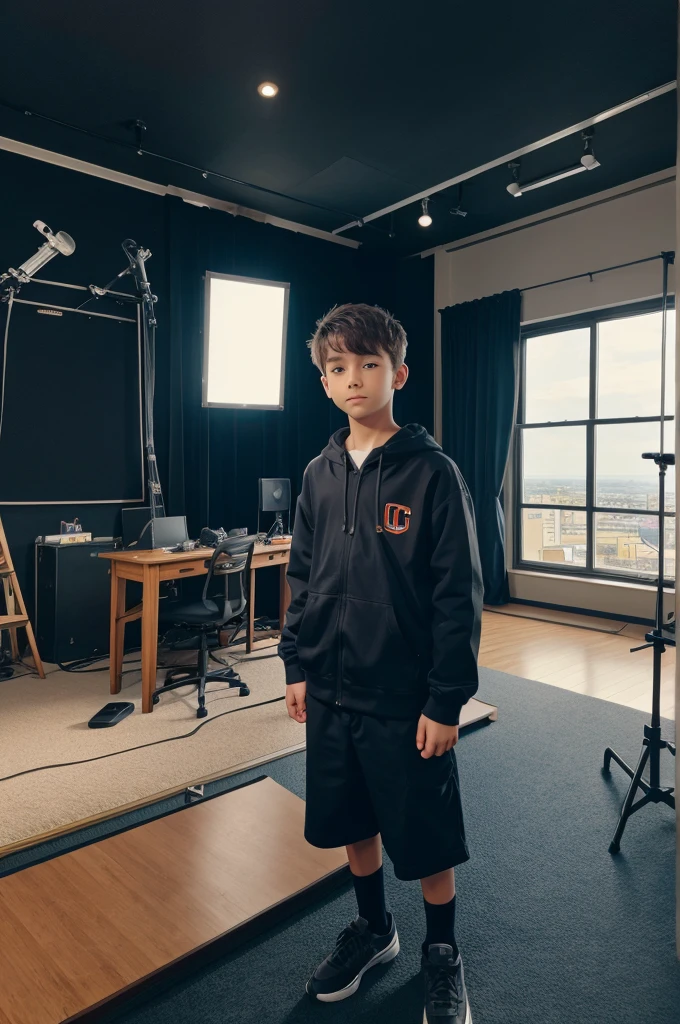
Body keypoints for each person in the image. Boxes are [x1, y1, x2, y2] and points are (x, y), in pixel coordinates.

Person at [278, 303, 482, 1024]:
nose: (353, 378)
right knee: (352, 819)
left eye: (368, 364)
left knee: (423, 833)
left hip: (405, 697)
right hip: (330, 691)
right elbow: (302, 575)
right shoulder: (317, 473)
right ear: (323, 380)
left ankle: (442, 952)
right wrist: (294, 664)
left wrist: (445, 700)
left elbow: (458, 595)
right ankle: (374, 929)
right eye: (338, 367)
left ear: (398, 373)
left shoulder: (432, 473)